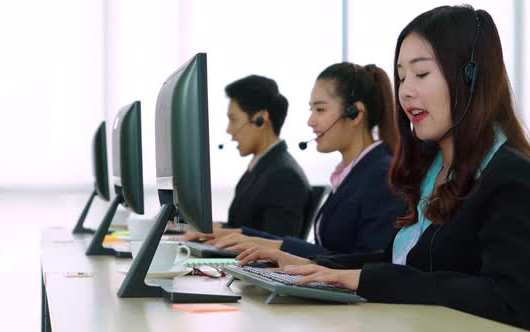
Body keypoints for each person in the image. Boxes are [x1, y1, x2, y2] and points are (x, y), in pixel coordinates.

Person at [238, 6, 530, 329]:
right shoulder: (433, 169)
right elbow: (397, 261)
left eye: (421, 74)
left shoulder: (510, 177)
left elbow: (511, 300)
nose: (405, 91)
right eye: (402, 77)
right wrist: (311, 265)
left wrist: (364, 281)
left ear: (470, 78)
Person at [205, 62, 406, 258]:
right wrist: (248, 238)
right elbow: (335, 252)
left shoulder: (382, 175)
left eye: (320, 110)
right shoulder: (352, 173)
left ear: (354, 114)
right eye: (311, 110)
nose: (310, 121)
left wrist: (277, 247)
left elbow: (366, 263)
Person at [188, 75, 310, 238]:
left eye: (234, 120)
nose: (229, 130)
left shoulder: (284, 175)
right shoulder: (262, 166)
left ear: (261, 119)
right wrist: (195, 228)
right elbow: (240, 225)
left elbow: (276, 243)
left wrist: (219, 235)